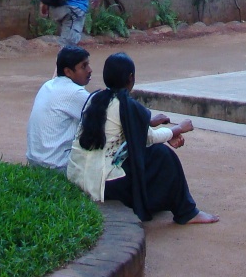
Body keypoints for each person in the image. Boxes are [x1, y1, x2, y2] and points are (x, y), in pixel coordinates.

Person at [67, 52, 219, 225]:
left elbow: (126, 130)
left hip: (78, 177)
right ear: (131, 78)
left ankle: (164, 202)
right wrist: (178, 129)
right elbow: (149, 138)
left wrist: (151, 124)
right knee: (162, 155)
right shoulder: (125, 104)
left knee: (145, 154)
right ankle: (187, 212)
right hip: (103, 186)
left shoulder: (95, 98)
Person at [26, 46, 93, 171]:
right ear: (68, 72)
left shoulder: (48, 85)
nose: (90, 70)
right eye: (84, 66)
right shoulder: (75, 93)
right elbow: (107, 115)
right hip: (57, 165)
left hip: (34, 161)